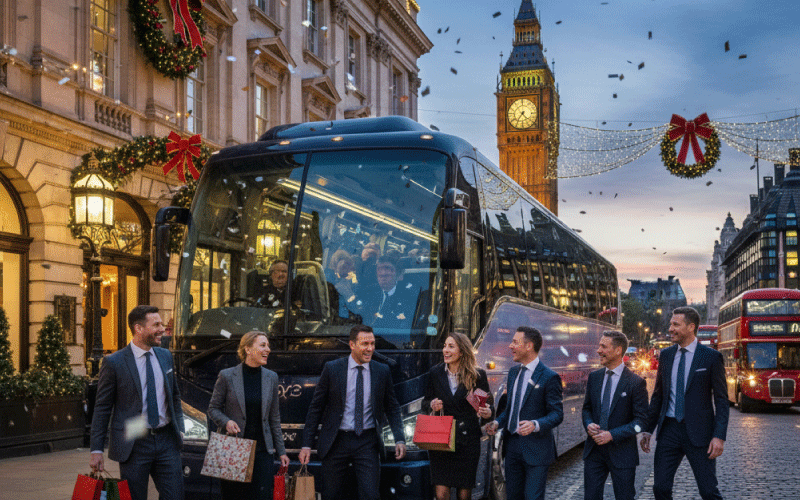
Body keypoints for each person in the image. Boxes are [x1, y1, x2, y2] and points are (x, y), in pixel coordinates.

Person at [298, 325, 406, 500]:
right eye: (365, 344)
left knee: (370, 495)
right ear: (352, 345)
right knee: (331, 495)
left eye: (372, 344)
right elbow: (316, 408)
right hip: (336, 441)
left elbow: (392, 407)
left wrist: (399, 438)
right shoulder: (332, 369)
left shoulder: (382, 371)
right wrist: (306, 445)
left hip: (367, 441)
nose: (370, 348)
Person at [89, 305, 184, 500]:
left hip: (166, 439)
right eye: (156, 325)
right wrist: (96, 450)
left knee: (175, 495)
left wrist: (180, 429)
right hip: (134, 440)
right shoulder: (114, 362)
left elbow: (174, 396)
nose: (162, 329)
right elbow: (102, 408)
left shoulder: (165, 356)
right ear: (138, 328)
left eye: (161, 324)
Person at [640, 307, 729, 500]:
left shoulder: (711, 357)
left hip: (700, 434)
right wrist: (648, 429)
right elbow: (658, 396)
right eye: (670, 324)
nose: (670, 328)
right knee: (660, 488)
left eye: (675, 324)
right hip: (669, 431)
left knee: (708, 491)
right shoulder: (666, 355)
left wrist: (719, 436)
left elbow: (722, 400)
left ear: (691, 327)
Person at [207, 331, 290, 500]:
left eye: (268, 346)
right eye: (262, 345)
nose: (268, 349)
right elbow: (213, 409)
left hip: (262, 452)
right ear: (248, 349)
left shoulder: (271, 377)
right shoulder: (227, 375)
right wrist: (226, 422)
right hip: (233, 449)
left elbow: (274, 418)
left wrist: (282, 451)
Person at [487, 326, 563, 500]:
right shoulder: (513, 373)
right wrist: (497, 422)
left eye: (515, 342)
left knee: (532, 497)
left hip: (537, 450)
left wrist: (535, 425)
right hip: (512, 447)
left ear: (529, 346)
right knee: (513, 496)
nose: (510, 346)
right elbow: (511, 409)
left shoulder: (549, 377)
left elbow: (557, 414)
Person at [424, 332, 494, 500]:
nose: (445, 350)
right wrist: (432, 405)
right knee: (441, 494)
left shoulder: (477, 375)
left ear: (462, 351)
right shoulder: (435, 373)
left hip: (467, 441)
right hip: (442, 440)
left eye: (451, 346)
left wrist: (488, 413)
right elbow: (425, 402)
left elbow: (487, 406)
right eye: (444, 346)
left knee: (464, 494)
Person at [582, 331, 649, 500]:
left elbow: (641, 421)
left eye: (603, 347)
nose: (598, 350)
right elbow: (586, 409)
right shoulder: (594, 377)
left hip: (622, 454)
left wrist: (612, 435)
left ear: (618, 350)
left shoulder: (636, 382)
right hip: (594, 451)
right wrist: (588, 423)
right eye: (599, 346)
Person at [361, 257, 417, 329]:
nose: (383, 274)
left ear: (397, 275)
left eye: (388, 270)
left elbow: (406, 322)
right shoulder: (369, 292)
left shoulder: (409, 294)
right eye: (380, 273)